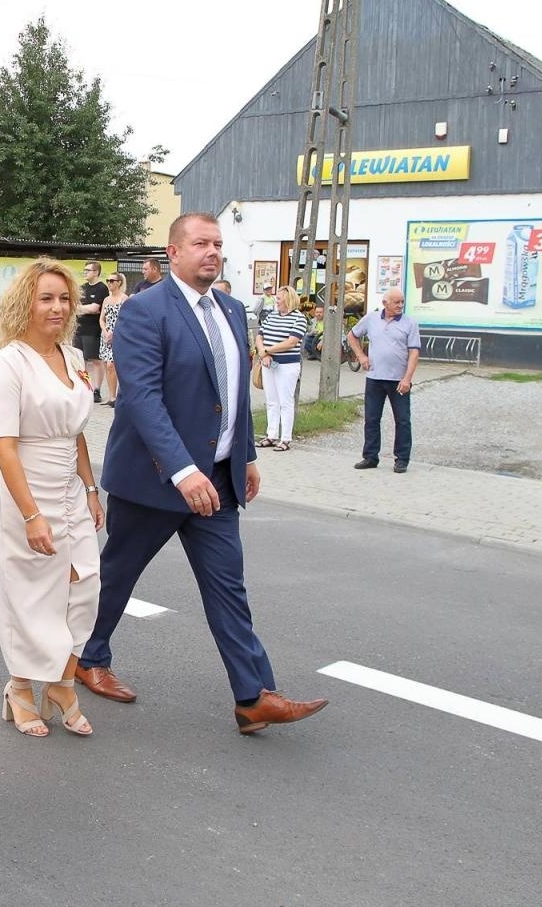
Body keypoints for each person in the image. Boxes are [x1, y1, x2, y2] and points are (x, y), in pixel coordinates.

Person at [75, 212, 328, 734]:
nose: (212, 252)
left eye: (217, 244)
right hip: (153, 479)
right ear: (173, 252)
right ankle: (88, 656)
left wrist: (247, 455)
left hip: (216, 480)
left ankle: (253, 696)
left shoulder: (233, 309)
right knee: (119, 574)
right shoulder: (144, 312)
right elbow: (141, 399)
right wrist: (183, 470)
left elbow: (232, 389)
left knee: (227, 587)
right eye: (200, 244)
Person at [0, 259, 103, 739]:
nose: (58, 307)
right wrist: (31, 514)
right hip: (24, 488)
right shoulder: (6, 363)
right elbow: (3, 444)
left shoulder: (73, 359)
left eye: (64, 298)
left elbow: (76, 434)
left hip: (70, 489)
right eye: (46, 298)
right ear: (24, 305)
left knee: (85, 587)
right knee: (30, 595)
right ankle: (19, 686)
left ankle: (60, 680)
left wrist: (92, 490)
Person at [347, 287, 421, 474]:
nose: (400, 305)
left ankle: (402, 459)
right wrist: (361, 356)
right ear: (385, 303)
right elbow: (352, 336)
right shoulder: (371, 319)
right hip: (374, 377)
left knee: (402, 420)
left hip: (398, 380)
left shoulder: (409, 323)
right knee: (371, 418)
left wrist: (407, 379)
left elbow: (414, 352)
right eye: (396, 302)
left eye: (402, 302)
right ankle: (370, 456)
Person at [255, 286, 308, 451]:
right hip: (268, 363)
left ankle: (285, 438)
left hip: (287, 365)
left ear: (288, 299)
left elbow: (291, 342)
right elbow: (259, 335)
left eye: (279, 299)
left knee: (285, 401)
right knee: (271, 401)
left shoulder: (299, 318)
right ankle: (271, 434)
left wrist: (267, 350)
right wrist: (263, 353)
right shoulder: (271, 316)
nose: (276, 302)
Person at [74, 260, 110, 403]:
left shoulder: (101, 288)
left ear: (96, 272)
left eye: (88, 270)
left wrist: (84, 308)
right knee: (79, 360)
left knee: (95, 360)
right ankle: (85, 387)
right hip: (79, 328)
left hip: (93, 330)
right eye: (84, 270)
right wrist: (85, 308)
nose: (85, 272)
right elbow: (75, 306)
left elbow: (95, 309)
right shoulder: (82, 288)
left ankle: (97, 390)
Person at [98, 271, 127, 406]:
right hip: (106, 335)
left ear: (119, 283)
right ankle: (111, 397)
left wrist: (114, 333)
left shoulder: (124, 299)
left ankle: (119, 396)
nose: (109, 283)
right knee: (107, 366)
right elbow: (102, 319)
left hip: (119, 335)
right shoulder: (106, 299)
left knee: (112, 364)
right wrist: (105, 331)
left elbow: (127, 320)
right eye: (108, 280)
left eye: (112, 281)